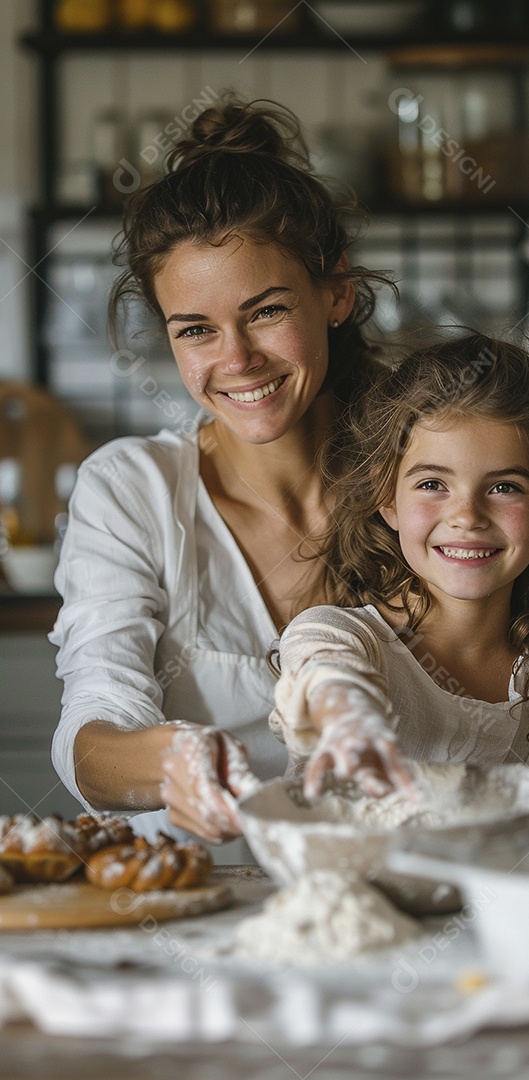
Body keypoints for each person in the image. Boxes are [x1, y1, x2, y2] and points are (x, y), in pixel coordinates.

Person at [49, 93, 390, 858]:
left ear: (335, 292)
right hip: (195, 909)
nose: (236, 362)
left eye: (266, 312)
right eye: (196, 330)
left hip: (408, 900)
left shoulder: (421, 482)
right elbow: (94, 721)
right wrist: (171, 760)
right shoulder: (132, 490)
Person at [269, 333, 529, 827]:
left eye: (505, 487)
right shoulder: (339, 637)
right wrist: (348, 723)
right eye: (433, 484)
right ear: (387, 498)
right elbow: (327, 680)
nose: (466, 516)